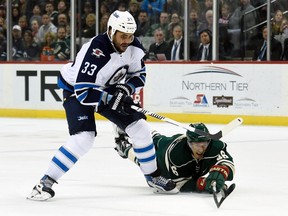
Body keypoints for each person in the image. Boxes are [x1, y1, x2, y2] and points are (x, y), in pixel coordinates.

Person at [27, 10, 178, 201]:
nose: (127, 40)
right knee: (84, 138)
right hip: (76, 89)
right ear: (110, 31)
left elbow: (140, 75)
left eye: (130, 36)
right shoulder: (95, 51)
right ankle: (45, 182)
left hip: (108, 86)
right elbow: (84, 92)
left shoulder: (134, 47)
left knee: (141, 129)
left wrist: (125, 89)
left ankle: (153, 177)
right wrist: (110, 99)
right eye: (123, 36)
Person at [114, 123, 235, 193]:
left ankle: (141, 130)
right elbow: (178, 186)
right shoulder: (176, 157)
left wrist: (221, 170)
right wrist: (201, 184)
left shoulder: (215, 146)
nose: (201, 149)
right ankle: (124, 147)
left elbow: (227, 162)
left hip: (173, 142)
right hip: (164, 157)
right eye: (196, 145)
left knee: (158, 138)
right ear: (188, 143)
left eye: (204, 144)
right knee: (146, 162)